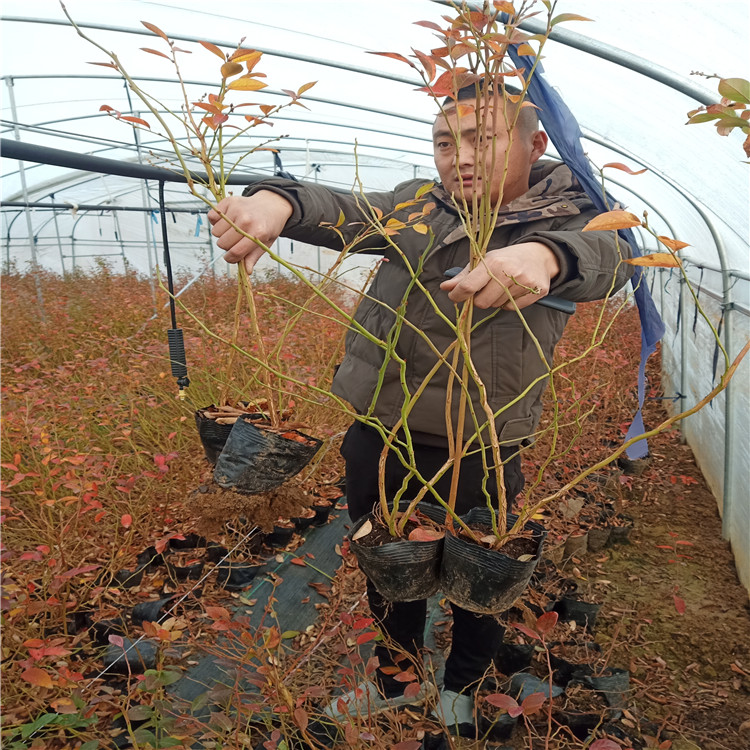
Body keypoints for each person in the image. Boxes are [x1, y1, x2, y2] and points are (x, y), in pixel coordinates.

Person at [208, 83, 633, 731]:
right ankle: (395, 678)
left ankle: (461, 688)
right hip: (376, 436)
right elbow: (341, 207)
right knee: (387, 567)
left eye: (481, 139)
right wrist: (276, 203)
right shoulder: (416, 206)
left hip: (478, 447)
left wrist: (546, 254)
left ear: (534, 144)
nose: (458, 158)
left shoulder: (571, 217)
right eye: (444, 141)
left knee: (480, 582)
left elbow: (615, 258)